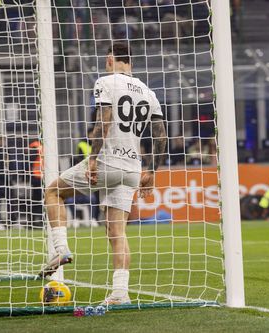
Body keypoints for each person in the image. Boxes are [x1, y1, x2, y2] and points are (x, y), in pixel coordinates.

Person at [42, 41, 167, 306]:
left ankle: (61, 249)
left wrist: (93, 159)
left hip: (108, 163)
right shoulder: (149, 92)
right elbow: (161, 136)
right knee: (117, 233)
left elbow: (104, 119)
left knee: (53, 191)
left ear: (111, 58)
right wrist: (152, 172)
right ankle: (121, 292)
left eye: (105, 58)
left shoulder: (106, 82)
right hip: (133, 169)